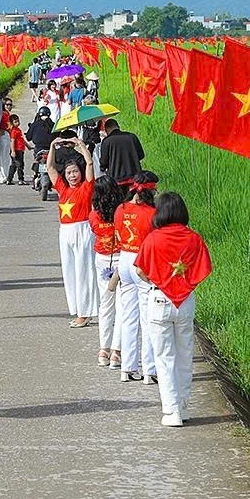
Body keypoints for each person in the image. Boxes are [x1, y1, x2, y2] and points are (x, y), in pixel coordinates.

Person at [135, 192, 213, 427]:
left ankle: (171, 411)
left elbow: (140, 270)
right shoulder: (194, 238)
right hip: (186, 302)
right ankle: (183, 406)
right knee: (184, 356)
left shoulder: (153, 239)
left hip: (159, 300)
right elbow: (204, 268)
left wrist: (157, 281)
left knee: (164, 358)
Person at [46, 137, 98, 327]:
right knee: (69, 273)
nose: (72, 175)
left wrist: (81, 145)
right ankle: (77, 310)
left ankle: (85, 313)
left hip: (83, 230)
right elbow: (50, 168)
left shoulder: (87, 187)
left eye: (75, 171)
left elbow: (90, 163)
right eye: (69, 172)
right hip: (65, 232)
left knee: (83, 271)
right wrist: (52, 146)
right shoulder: (62, 189)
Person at [113, 172, 159, 384]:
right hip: (142, 262)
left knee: (128, 317)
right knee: (147, 318)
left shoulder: (120, 209)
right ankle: (149, 370)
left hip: (124, 260)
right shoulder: (152, 213)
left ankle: (127, 368)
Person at [89, 177, 124, 370]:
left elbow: (94, 230)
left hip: (103, 260)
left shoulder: (94, 215)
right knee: (122, 306)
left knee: (105, 305)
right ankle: (117, 352)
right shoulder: (122, 213)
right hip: (122, 259)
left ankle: (104, 349)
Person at [97, 119, 145, 185]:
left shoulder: (107, 141)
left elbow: (104, 161)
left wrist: (102, 168)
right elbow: (141, 155)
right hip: (135, 177)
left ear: (106, 130)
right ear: (118, 126)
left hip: (116, 179)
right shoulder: (132, 137)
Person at [6, 114, 27, 185]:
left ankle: (9, 179)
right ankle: (21, 179)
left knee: (14, 165)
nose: (17, 123)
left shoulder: (18, 130)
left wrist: (28, 146)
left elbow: (22, 140)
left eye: (18, 121)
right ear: (12, 123)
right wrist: (13, 151)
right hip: (16, 150)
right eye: (15, 122)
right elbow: (12, 141)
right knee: (20, 165)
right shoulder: (14, 131)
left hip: (20, 150)